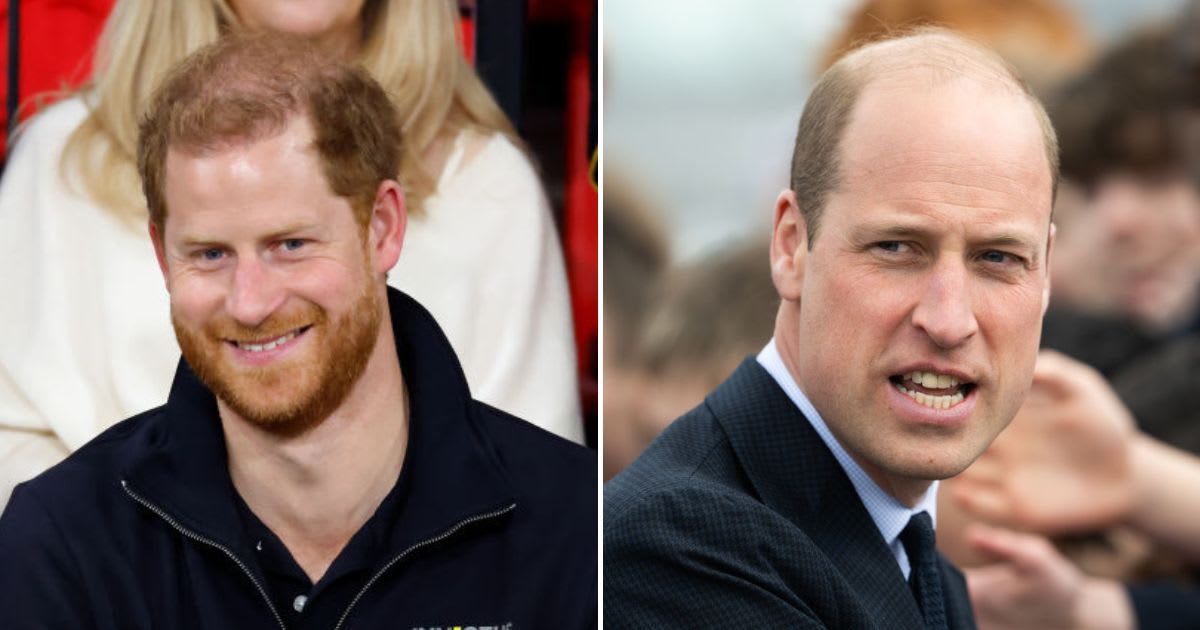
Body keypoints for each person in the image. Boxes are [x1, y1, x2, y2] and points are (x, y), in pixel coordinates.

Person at [0, 33, 595, 628]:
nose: (251, 302)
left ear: (383, 228)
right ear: (162, 255)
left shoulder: (580, 530)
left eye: (291, 244)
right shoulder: (62, 545)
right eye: (209, 254)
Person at [605, 28, 1058, 628]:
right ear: (792, 246)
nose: (950, 321)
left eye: (998, 258)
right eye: (897, 247)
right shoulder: (677, 549)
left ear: (1047, 272)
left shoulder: (918, 559)